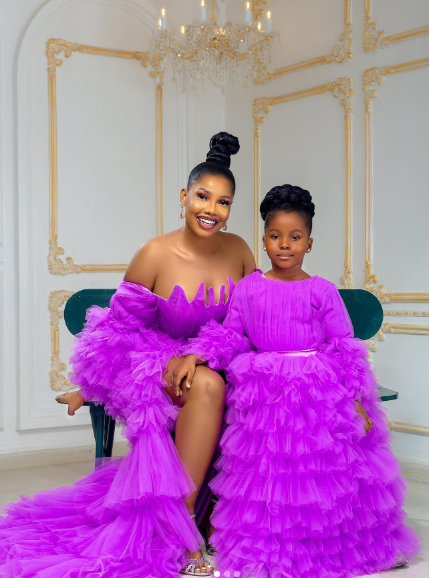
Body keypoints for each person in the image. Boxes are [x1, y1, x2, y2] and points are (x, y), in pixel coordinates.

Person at [0, 132, 255, 578]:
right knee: (208, 385)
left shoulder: (239, 250)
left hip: (220, 357)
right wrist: (88, 388)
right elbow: (118, 331)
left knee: (266, 388)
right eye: (202, 196)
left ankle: (244, 521)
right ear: (184, 197)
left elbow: (250, 320)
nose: (211, 209)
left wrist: (201, 353)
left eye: (223, 202)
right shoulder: (154, 253)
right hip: (158, 363)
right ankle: (182, 530)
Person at [176, 184, 420, 578]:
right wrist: (197, 354)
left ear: (309, 243)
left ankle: (327, 547)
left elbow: (343, 349)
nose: (284, 245)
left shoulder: (321, 290)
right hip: (264, 396)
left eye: (295, 237)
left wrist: (357, 401)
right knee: (268, 478)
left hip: (315, 395)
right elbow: (232, 336)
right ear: (264, 240)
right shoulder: (250, 288)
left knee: (319, 478)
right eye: (275, 236)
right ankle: (270, 547)